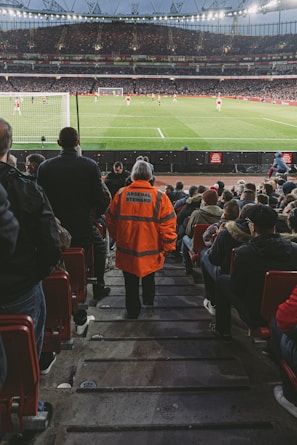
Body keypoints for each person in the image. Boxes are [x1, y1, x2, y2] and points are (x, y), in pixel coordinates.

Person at [0, 117, 61, 366]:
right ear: (10, 144)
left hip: (19, 283)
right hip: (19, 288)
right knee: (24, 356)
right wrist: (34, 275)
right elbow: (51, 244)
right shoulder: (26, 188)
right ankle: (27, 401)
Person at [37, 127, 111, 303]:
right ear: (77, 143)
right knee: (100, 248)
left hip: (53, 228)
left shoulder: (45, 167)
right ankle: (98, 286)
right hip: (82, 227)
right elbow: (100, 198)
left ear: (59, 143)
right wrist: (94, 216)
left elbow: (39, 200)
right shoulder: (89, 165)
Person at [212, 204, 297, 341]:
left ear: (253, 226)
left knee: (222, 280)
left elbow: (236, 289)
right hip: (288, 312)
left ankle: (223, 330)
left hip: (256, 315)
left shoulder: (244, 253)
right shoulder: (295, 249)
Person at [106, 160, 177, 319]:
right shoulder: (160, 197)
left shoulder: (121, 194)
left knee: (130, 284)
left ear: (133, 175)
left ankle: (132, 311)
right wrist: (168, 247)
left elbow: (110, 219)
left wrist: (117, 237)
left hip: (126, 249)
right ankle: (148, 301)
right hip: (151, 250)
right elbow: (168, 224)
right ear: (150, 176)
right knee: (149, 277)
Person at [182, 189, 223, 275]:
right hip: (215, 247)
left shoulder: (197, 214)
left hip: (197, 247)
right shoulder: (222, 214)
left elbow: (188, 233)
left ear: (205, 201)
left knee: (184, 238)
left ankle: (188, 268)